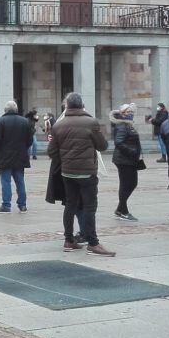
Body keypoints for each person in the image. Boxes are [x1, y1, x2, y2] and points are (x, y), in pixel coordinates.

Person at [48, 93, 114, 256]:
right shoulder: (90, 122)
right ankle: (93, 243)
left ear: (67, 106)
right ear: (82, 105)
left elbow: (51, 152)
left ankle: (69, 240)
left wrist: (65, 161)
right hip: (86, 172)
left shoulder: (58, 125)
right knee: (90, 207)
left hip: (67, 173)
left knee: (70, 205)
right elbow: (102, 146)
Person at [0, 100, 32, 213]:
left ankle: (6, 205)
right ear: (16, 110)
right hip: (20, 156)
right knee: (20, 181)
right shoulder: (25, 121)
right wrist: (23, 149)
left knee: (5, 181)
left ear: (5, 110)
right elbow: (30, 140)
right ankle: (22, 205)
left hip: (4, 156)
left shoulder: (0, 121)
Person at [110, 103, 142, 221]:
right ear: (122, 114)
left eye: (131, 112)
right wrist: (132, 151)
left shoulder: (129, 125)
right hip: (124, 160)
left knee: (132, 183)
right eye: (127, 112)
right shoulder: (122, 125)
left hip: (130, 160)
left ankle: (120, 209)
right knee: (125, 184)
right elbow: (118, 142)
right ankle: (123, 211)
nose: (130, 114)